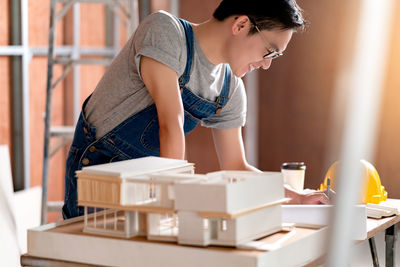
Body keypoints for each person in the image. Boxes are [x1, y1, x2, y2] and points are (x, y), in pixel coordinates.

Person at [62, 0, 330, 219]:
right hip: (98, 176)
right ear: (241, 24)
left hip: (147, 186)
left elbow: (236, 166)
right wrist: (173, 204)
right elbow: (171, 123)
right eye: (269, 51)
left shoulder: (230, 88)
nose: (266, 64)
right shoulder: (165, 32)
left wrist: (296, 197)